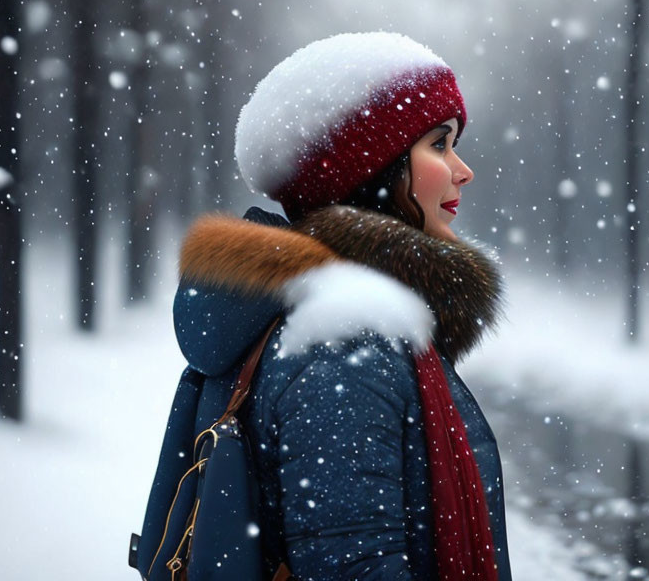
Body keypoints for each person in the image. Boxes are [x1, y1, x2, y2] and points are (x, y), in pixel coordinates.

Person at [142, 32, 511, 580]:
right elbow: (355, 566)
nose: (462, 170)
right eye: (439, 144)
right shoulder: (344, 345)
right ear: (373, 172)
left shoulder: (320, 316)